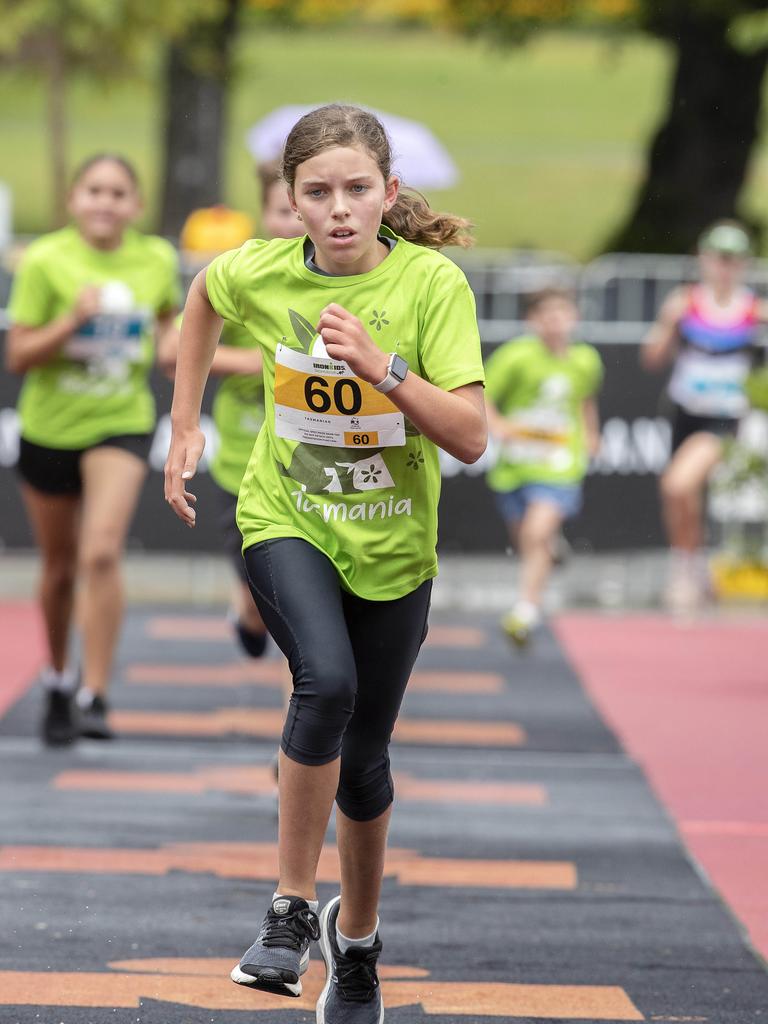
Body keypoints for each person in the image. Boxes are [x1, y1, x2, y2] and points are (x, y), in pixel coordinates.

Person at [164, 103, 486, 1024]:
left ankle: (359, 947)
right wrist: (184, 428)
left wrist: (385, 370)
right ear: (290, 204)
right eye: (318, 193)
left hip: (394, 546)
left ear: (388, 194)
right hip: (286, 517)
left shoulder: (431, 286)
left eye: (356, 190)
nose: (339, 209)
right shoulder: (259, 271)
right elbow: (201, 300)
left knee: (367, 764)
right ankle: (290, 908)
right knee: (325, 684)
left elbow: (468, 436)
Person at [5, 154, 180, 745]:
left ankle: (95, 691)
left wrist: (175, 344)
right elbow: (19, 355)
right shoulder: (46, 260)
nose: (105, 202)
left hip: (120, 422)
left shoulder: (155, 259)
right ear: (74, 199)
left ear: (136, 204)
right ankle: (56, 677)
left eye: (118, 192)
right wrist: (71, 322)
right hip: (50, 427)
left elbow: (167, 323)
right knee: (57, 568)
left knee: (100, 552)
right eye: (94, 190)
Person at [642, 220, 768, 611]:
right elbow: (652, 359)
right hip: (684, 412)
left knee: (678, 485)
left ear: (744, 264)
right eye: (718, 259)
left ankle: (687, 571)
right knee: (680, 494)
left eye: (733, 260)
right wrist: (669, 324)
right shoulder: (686, 302)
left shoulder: (754, 309)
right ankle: (692, 566)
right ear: (704, 259)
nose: (725, 268)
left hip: (724, 418)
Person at [208, 163, 304, 661]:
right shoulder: (245, 275)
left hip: (308, 468)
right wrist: (258, 360)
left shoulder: (342, 279)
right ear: (263, 215)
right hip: (242, 467)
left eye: (298, 210)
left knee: (304, 617)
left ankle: (310, 724)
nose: (290, 222)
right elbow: (175, 349)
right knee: (258, 602)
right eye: (279, 211)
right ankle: (244, 609)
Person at [484, 288, 603, 646]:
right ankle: (552, 547)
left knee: (536, 533)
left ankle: (526, 610)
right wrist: (498, 425)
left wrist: (592, 434)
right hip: (516, 464)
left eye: (562, 313)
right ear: (532, 320)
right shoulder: (515, 356)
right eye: (547, 315)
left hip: (560, 463)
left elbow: (585, 400)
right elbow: (481, 393)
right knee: (527, 539)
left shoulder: (585, 360)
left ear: (575, 317)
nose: (555, 322)